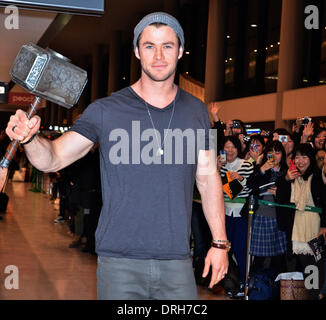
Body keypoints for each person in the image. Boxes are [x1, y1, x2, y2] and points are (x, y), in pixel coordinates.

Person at [5, 12, 228, 300]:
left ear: (181, 50)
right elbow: (54, 157)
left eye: (168, 46)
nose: (159, 55)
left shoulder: (198, 111)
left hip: (177, 262)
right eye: (149, 46)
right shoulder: (106, 110)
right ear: (136, 51)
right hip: (119, 263)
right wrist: (31, 139)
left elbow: (209, 178)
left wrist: (220, 244)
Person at [275, 143, 326, 300]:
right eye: (297, 157)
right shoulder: (290, 176)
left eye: (304, 157)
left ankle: (315, 295)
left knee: (316, 269)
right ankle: (313, 295)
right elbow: (281, 199)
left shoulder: (318, 178)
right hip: (297, 230)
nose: (300, 161)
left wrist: (324, 227)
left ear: (311, 159)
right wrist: (285, 179)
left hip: (316, 229)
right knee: (308, 269)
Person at [217, 136, 254, 297]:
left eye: (233, 147)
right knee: (225, 251)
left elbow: (238, 191)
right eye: (226, 147)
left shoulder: (246, 165)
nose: (229, 150)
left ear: (238, 149)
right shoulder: (221, 167)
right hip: (224, 214)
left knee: (240, 250)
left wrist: (241, 180)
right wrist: (216, 170)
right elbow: (219, 189)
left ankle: (245, 285)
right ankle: (231, 282)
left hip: (241, 214)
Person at [246, 141, 288, 279]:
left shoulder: (287, 171)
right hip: (262, 216)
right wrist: (262, 168)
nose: (274, 156)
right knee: (259, 257)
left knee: (280, 258)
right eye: (271, 152)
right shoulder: (261, 168)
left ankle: (277, 289)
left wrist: (280, 193)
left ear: (282, 155)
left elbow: (293, 194)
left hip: (281, 219)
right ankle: (255, 287)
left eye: (277, 152)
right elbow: (250, 184)